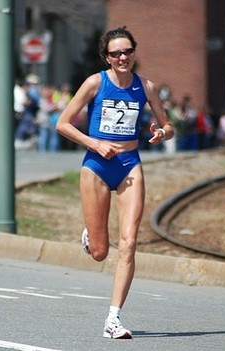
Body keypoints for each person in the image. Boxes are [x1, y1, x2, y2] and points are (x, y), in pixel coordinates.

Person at [56, 27, 174, 339]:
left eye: (127, 52)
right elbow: (62, 124)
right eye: (115, 53)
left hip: (129, 165)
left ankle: (113, 319)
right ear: (106, 57)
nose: (122, 58)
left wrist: (161, 133)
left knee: (130, 242)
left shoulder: (145, 86)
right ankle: (91, 234)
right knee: (99, 252)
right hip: (96, 165)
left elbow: (168, 125)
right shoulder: (95, 82)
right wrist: (94, 144)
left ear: (134, 52)